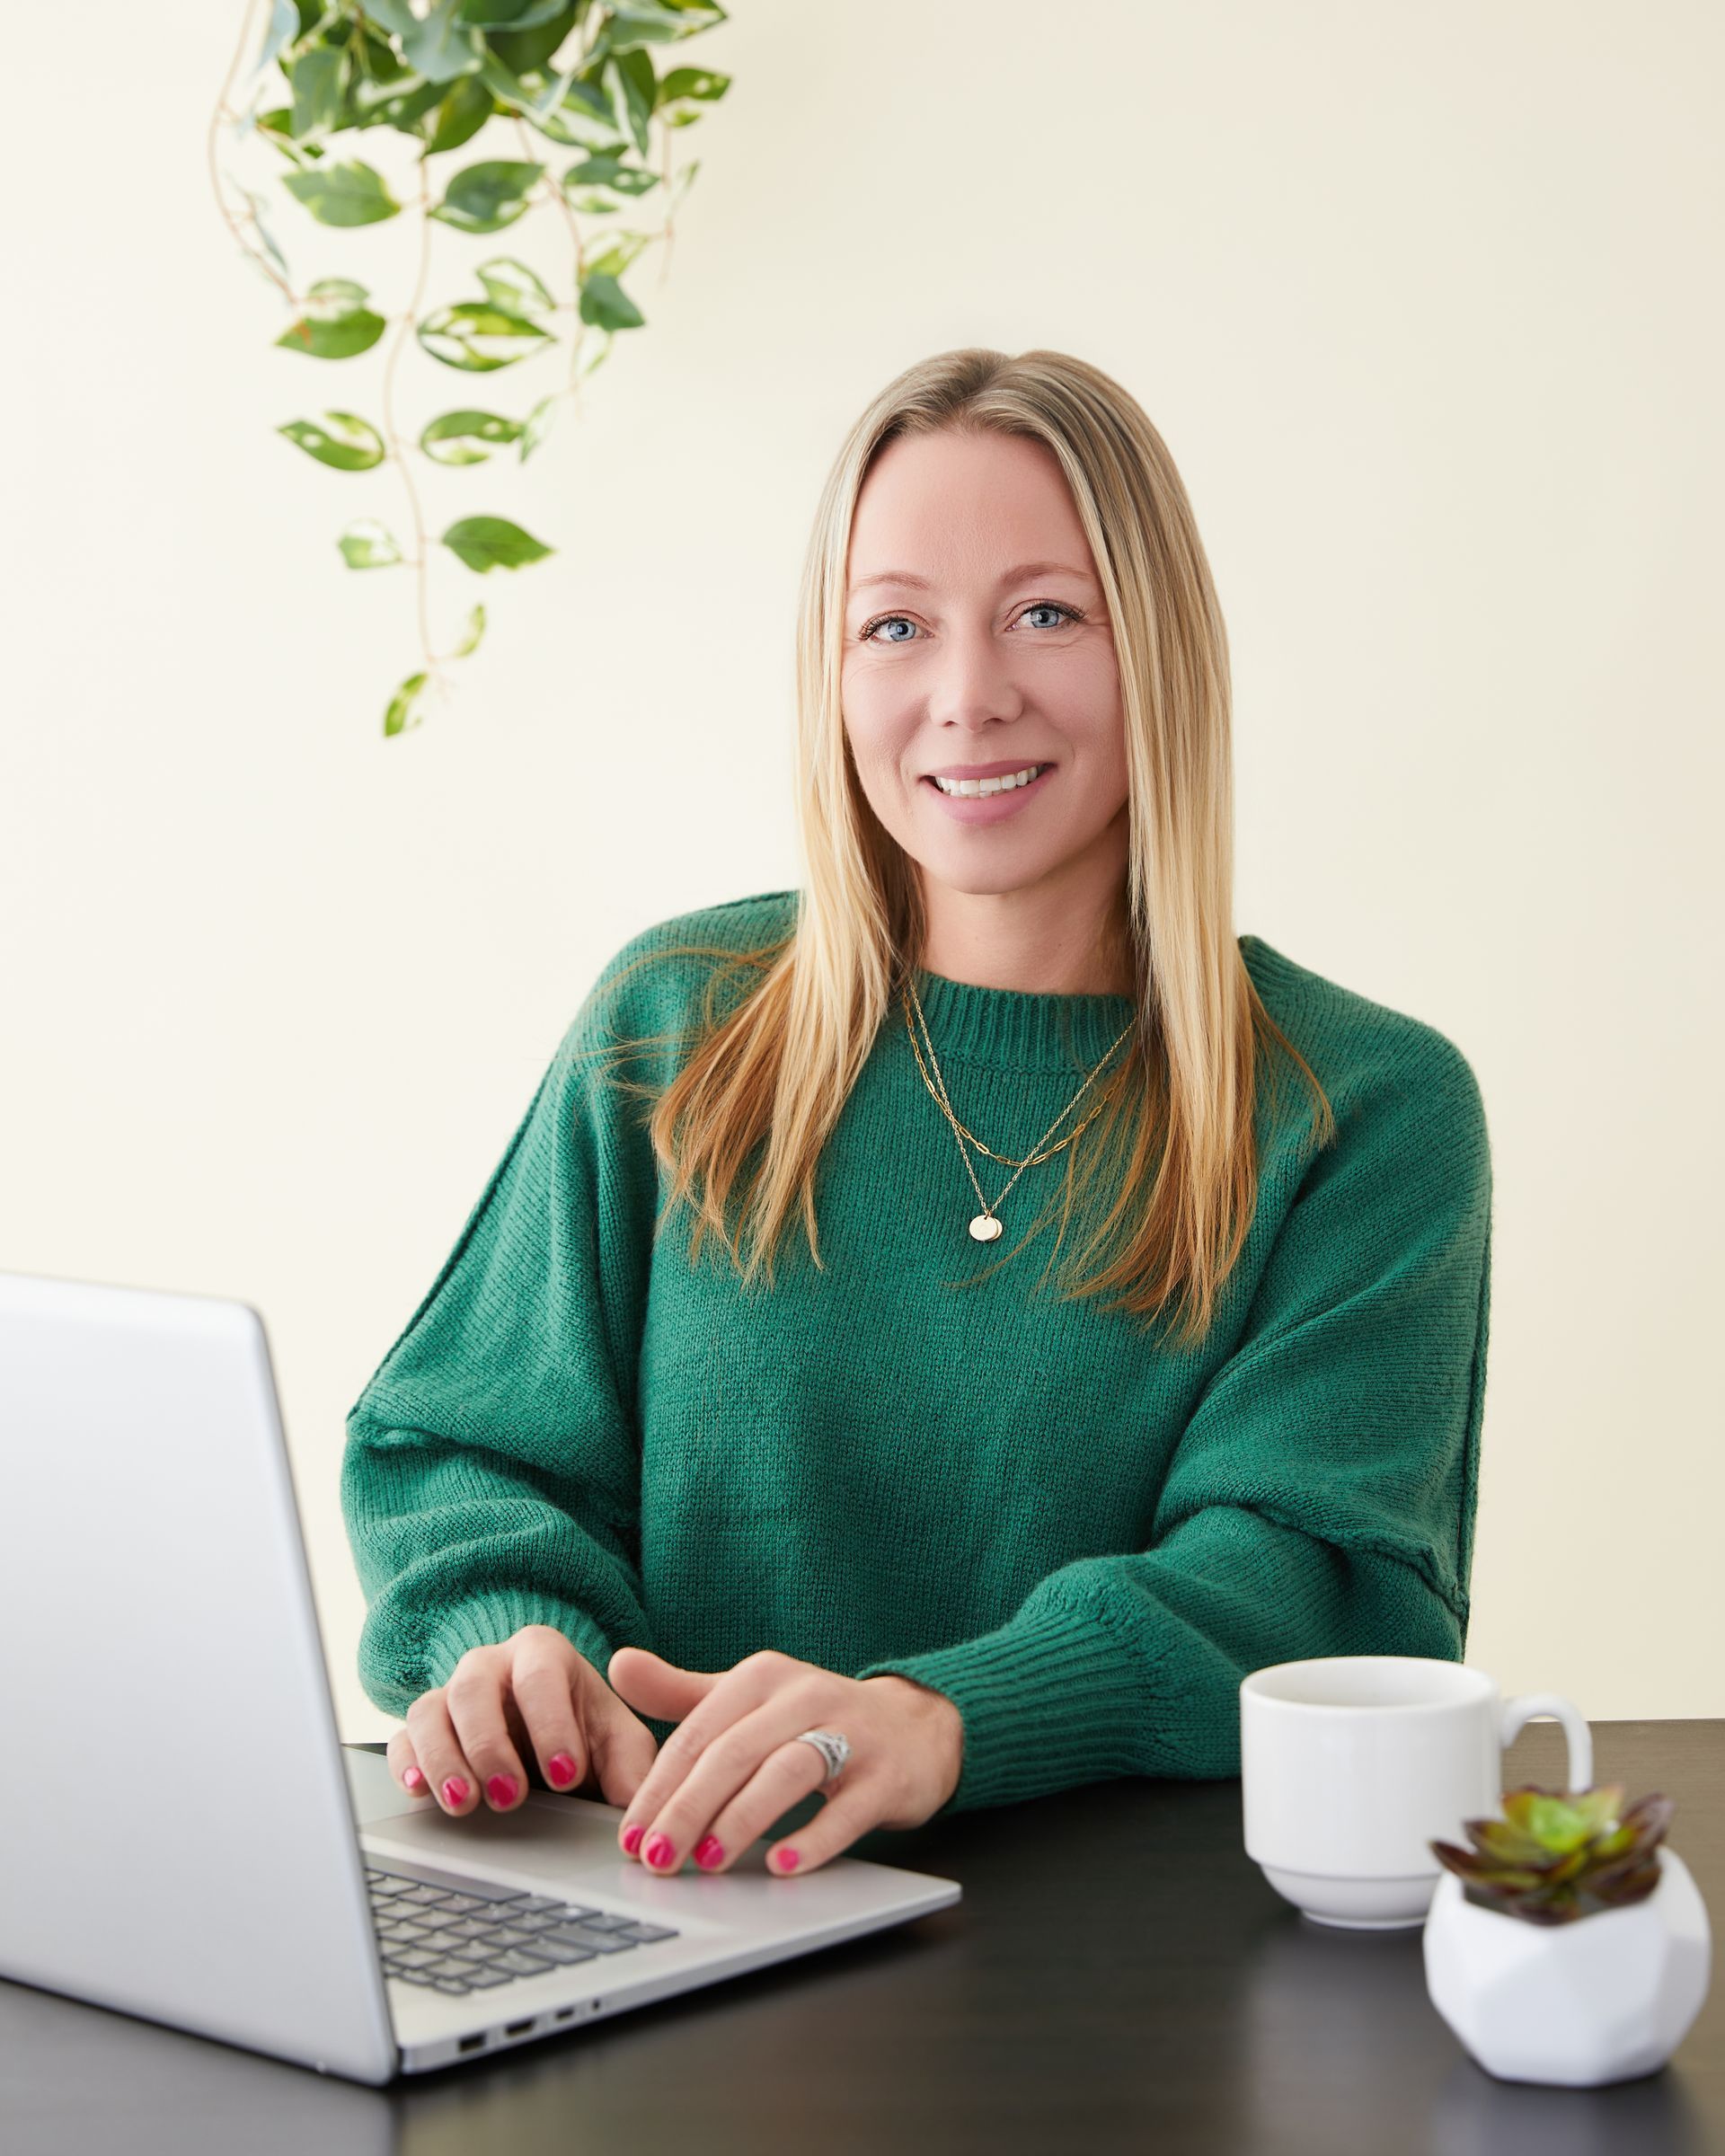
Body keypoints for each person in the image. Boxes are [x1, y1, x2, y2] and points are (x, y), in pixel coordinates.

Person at [341, 347, 1492, 1884]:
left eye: (1046, 614)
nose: (970, 697)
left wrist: (941, 1717)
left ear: (1161, 651)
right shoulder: (674, 1019)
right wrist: (514, 1645)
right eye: (895, 625)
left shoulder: (1367, 1108)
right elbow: (453, 1447)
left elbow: (1315, 1582)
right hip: (670, 1911)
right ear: (834, 673)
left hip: (1132, 1963)